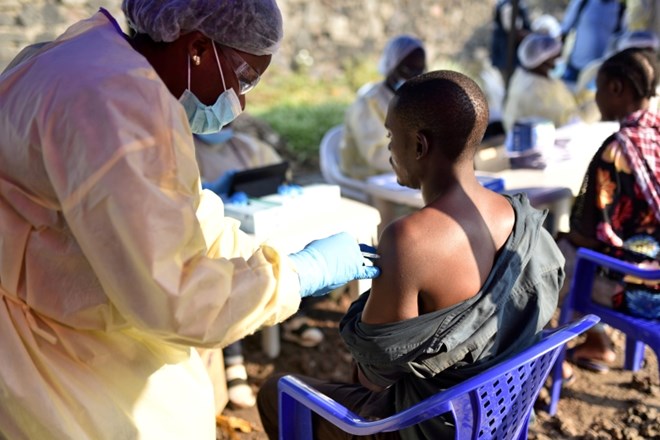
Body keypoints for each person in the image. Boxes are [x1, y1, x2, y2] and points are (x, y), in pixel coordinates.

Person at [0, 1, 380, 439]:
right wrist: (295, 276)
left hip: (52, 309)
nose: (238, 100)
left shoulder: (79, 57)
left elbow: (185, 221)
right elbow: (177, 299)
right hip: (50, 353)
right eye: (244, 78)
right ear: (197, 46)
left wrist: (264, 256)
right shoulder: (123, 108)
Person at [257, 70, 565, 439]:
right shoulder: (518, 215)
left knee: (275, 392)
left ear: (418, 146)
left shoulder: (409, 239)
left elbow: (372, 378)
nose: (388, 148)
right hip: (495, 418)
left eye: (391, 136)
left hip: (425, 426)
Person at [193, 128, 325, 409]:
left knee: (275, 260)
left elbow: (277, 172)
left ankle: (290, 319)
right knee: (224, 280)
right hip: (215, 238)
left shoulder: (246, 146)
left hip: (258, 223)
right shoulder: (180, 146)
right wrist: (213, 191)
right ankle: (233, 359)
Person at [559, 48, 660, 373]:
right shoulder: (655, 135)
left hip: (639, 291)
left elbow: (592, 237)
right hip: (654, 273)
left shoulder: (618, 151)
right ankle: (596, 342)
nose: (596, 96)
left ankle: (545, 360)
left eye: (599, 88)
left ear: (616, 88)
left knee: (544, 261)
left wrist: (558, 235)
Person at [340, 34, 426, 180]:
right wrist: (422, 162)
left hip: (403, 171)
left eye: (419, 70)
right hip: (368, 175)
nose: (413, 76)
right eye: (407, 69)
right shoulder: (367, 102)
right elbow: (375, 155)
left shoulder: (411, 99)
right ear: (391, 65)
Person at [502, 33, 581, 133]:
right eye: (556, 59)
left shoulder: (528, 74)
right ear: (542, 62)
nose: (560, 62)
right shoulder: (535, 92)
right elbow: (564, 124)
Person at [560, 0, 627, 83]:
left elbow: (620, 41)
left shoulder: (620, 10)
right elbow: (565, 30)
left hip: (599, 73)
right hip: (574, 68)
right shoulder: (583, 2)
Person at [489, 0, 532, 79]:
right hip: (507, 55)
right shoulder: (508, 6)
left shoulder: (516, 5)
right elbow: (511, 28)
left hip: (510, 55)